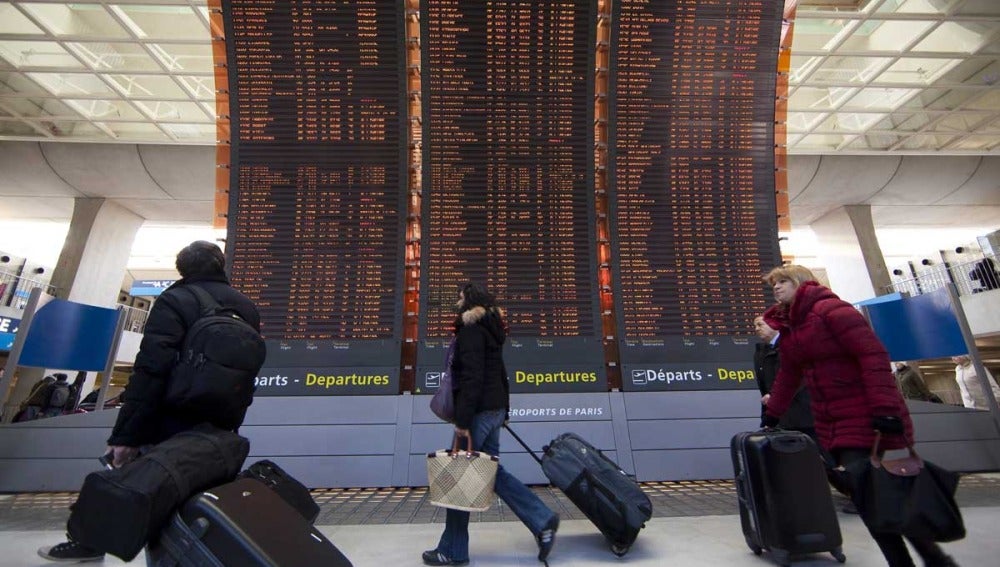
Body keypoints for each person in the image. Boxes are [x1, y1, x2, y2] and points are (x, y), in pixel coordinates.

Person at [39, 240, 262, 563]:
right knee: (188, 490)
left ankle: (88, 543)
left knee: (132, 477)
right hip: (221, 422)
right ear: (220, 265)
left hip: (170, 414)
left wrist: (126, 435)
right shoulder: (246, 307)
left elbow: (151, 369)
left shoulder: (176, 300)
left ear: (182, 269)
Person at [761, 265, 957, 567]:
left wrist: (884, 410)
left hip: (870, 417)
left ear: (801, 282)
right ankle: (930, 560)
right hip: (835, 422)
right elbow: (789, 374)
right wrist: (772, 414)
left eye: (783, 281)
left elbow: (872, 354)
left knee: (882, 496)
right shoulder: (793, 328)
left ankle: (926, 559)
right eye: (774, 284)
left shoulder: (832, 310)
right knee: (875, 498)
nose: (776, 288)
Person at [423, 283, 559, 566]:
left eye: (459, 297)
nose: (456, 302)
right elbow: (500, 374)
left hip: (477, 414)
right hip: (493, 411)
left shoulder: (471, 331)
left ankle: (453, 550)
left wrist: (462, 421)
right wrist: (503, 411)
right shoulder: (491, 330)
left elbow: (473, 377)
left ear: (470, 301)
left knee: (459, 478)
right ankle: (542, 519)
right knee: (491, 473)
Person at [753, 315, 814, 438]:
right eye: (755, 326)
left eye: (760, 324)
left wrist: (775, 396)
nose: (757, 329)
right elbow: (765, 388)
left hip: (803, 417)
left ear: (774, 325)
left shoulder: (791, 345)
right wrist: (768, 418)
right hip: (781, 418)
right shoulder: (761, 353)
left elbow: (799, 378)